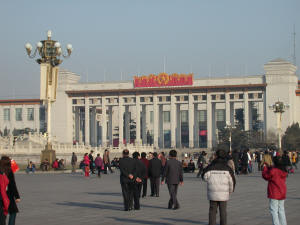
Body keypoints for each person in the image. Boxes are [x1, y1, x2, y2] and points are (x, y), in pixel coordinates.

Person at [202, 149, 236, 225]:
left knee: (212, 210)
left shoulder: (211, 166)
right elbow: (232, 181)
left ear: (216, 156)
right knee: (223, 211)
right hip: (224, 193)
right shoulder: (227, 168)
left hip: (212, 192)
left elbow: (204, 177)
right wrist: (230, 191)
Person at [262, 156, 288, 225]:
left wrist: (264, 168)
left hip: (274, 192)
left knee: (274, 211)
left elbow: (266, 176)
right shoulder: (283, 170)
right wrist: (269, 167)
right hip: (282, 191)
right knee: (281, 210)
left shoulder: (274, 170)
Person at [1, 156, 20, 225]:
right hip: (8, 195)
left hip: (1, 195)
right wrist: (17, 196)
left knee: (3, 213)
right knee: (13, 212)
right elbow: (12, 185)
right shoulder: (9, 171)